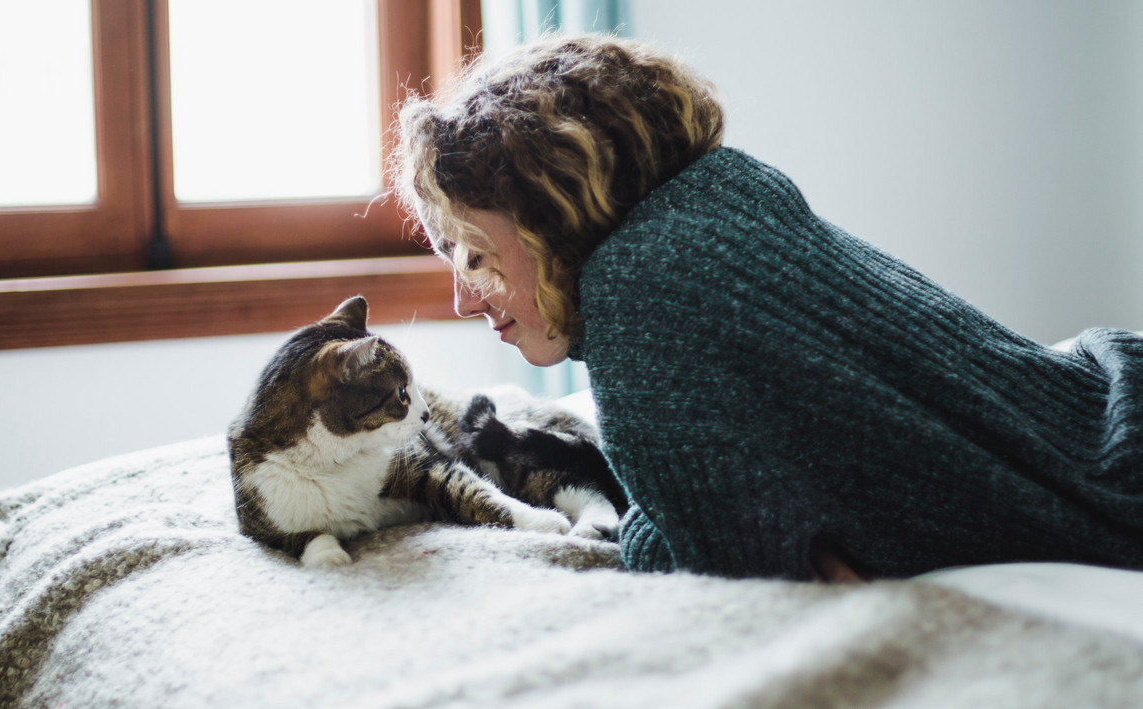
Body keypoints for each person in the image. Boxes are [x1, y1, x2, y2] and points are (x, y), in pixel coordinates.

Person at [390, 34, 1143, 581]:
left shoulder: (632, 295)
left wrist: (648, 535)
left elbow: (758, 574)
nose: (461, 296)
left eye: (476, 256)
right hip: (1106, 395)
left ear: (547, 215)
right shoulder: (726, 190)